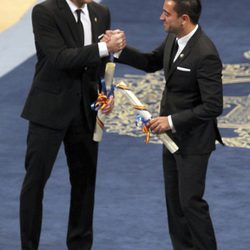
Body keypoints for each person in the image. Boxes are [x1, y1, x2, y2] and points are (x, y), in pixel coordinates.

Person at [109, 0, 224, 249]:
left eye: (166, 13)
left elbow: (213, 106)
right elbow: (151, 62)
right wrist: (118, 50)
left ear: (183, 19)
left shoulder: (206, 53)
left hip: (193, 142)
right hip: (171, 140)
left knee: (191, 204)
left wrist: (171, 121)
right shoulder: (174, 38)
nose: (161, 17)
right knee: (175, 206)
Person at [19, 0, 125, 249]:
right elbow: (60, 57)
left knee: (84, 184)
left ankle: (80, 245)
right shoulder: (44, 12)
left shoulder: (101, 13)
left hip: (86, 111)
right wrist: (103, 46)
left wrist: (106, 93)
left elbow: (100, 63)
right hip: (49, 111)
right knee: (35, 183)